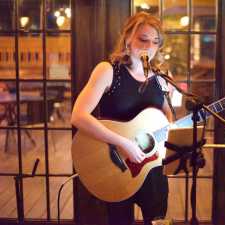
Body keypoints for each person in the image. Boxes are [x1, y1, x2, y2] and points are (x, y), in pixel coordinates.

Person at [71, 12, 173, 225]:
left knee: (158, 221)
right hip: (116, 164)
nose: (149, 47)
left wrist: (172, 118)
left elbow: (167, 115)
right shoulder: (108, 70)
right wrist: (123, 143)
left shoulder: (160, 76)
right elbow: (78, 116)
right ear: (127, 39)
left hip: (152, 167)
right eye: (142, 39)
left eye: (155, 42)